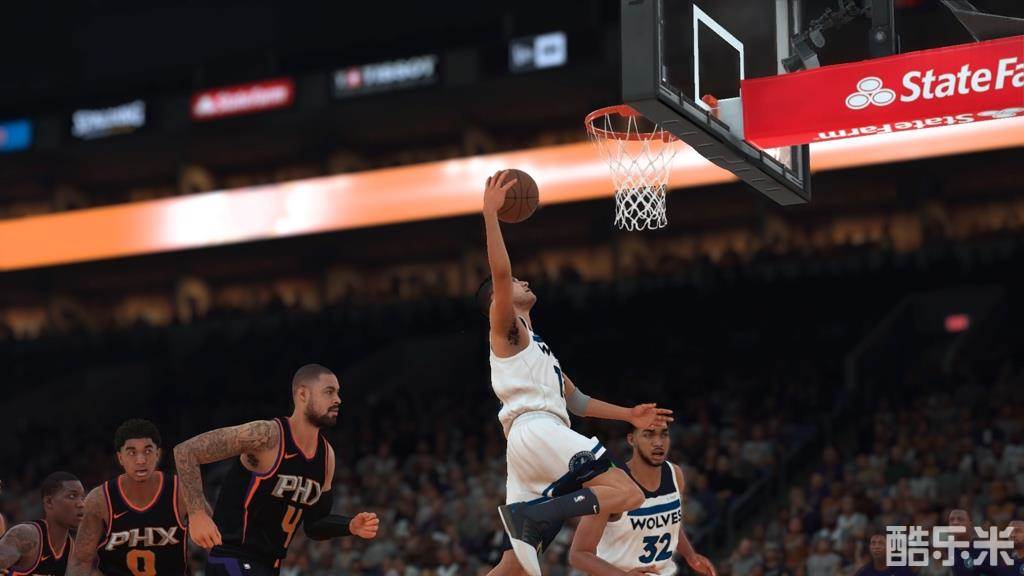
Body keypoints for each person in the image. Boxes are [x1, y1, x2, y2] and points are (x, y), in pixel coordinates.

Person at [480, 169, 673, 576]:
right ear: (498, 299)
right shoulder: (507, 331)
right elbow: (499, 275)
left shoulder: (538, 347)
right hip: (537, 430)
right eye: (516, 281)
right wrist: (490, 215)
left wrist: (629, 415)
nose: (522, 280)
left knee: (513, 566)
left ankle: (534, 514)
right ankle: (535, 515)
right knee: (627, 492)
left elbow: (577, 400)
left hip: (529, 444)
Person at [173, 363, 379, 576]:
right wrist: (197, 513)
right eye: (329, 392)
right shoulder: (266, 435)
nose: (338, 399)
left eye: (338, 392)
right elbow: (186, 451)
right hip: (233, 557)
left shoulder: (327, 457)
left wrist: (350, 526)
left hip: (270, 566)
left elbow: (314, 525)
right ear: (303, 394)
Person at [568, 424, 716, 576]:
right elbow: (579, 554)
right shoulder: (611, 485)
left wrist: (690, 555)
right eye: (648, 435)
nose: (658, 442)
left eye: (664, 434)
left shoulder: (674, 474)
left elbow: (670, 524)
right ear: (632, 439)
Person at [69, 419, 190, 576]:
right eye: (132, 453)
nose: (141, 460)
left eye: (148, 451)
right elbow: (81, 562)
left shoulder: (181, 491)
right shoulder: (100, 500)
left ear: (158, 454)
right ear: (120, 458)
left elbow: (216, 545)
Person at [0, 471, 84, 576]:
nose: (81, 504)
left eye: (82, 497)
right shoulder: (25, 535)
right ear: (49, 502)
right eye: (72, 496)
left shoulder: (71, 549)